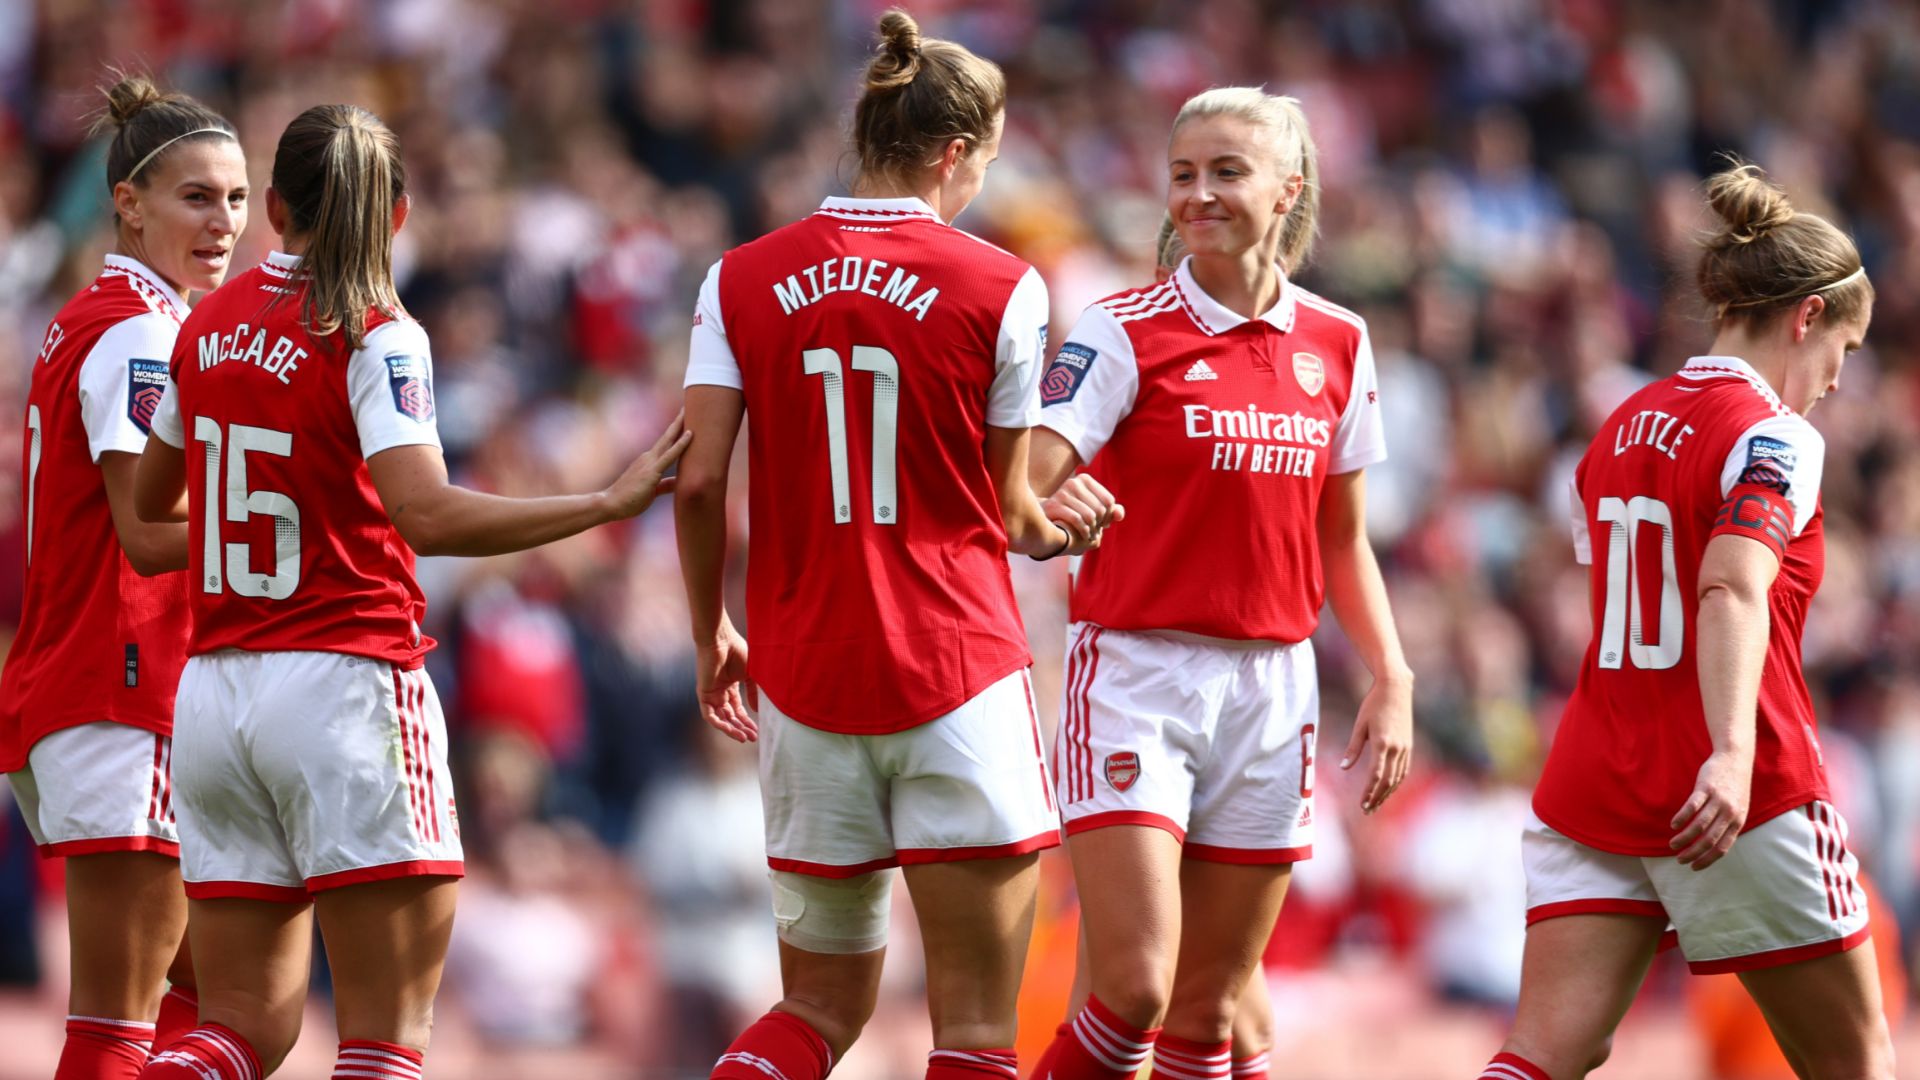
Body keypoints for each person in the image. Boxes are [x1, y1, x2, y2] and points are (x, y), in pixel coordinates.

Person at [128, 103, 689, 1080]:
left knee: (241, 1031)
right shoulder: (378, 327)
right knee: (386, 1041)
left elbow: (149, 516)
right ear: (397, 216)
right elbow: (426, 516)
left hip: (217, 696)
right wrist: (605, 499)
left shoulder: (205, 321)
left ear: (273, 208)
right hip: (346, 687)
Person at [675, 11, 1118, 1080]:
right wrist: (1072, 527)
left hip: (806, 675)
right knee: (973, 1029)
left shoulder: (739, 278)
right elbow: (1015, 515)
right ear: (956, 154)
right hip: (954, 671)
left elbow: (696, 480)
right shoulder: (1003, 286)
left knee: (818, 1010)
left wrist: (711, 633)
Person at [1028, 88, 1415, 1080]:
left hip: (1275, 686)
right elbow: (1024, 478)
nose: (1198, 196)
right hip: (1135, 677)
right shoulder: (1120, 329)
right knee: (1135, 991)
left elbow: (1344, 534)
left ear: (1289, 188)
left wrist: (1392, 676)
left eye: (1226, 173)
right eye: (1184, 174)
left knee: (1210, 1013)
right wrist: (1047, 509)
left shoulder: (1338, 341)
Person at [1475, 163, 1891, 1080]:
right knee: (1857, 1062)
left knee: (1542, 1054)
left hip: (1597, 773)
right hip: (1735, 783)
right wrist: (1733, 753)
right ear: (1809, 316)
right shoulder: (1777, 436)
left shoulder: (1618, 423)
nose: (1836, 383)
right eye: (1846, 353)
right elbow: (1729, 588)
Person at [0, 73, 246, 1079]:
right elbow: (148, 527)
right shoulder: (143, 334)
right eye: (196, 197)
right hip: (123, 682)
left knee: (215, 1003)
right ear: (128, 203)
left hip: (95, 685)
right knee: (119, 1026)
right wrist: (300, 525)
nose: (223, 221)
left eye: (236, 197)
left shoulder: (96, 318)